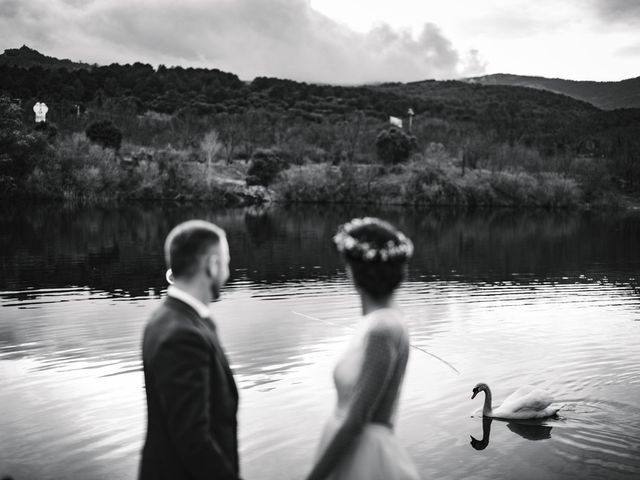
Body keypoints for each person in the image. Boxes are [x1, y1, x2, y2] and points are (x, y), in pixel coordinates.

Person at [306, 217, 421, 480]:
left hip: (363, 460)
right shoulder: (382, 320)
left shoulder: (382, 329)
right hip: (353, 451)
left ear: (353, 273)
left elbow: (356, 420)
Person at [139, 220, 241, 480]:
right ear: (212, 264)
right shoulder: (182, 335)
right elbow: (194, 442)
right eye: (226, 263)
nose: (228, 273)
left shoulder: (165, 318)